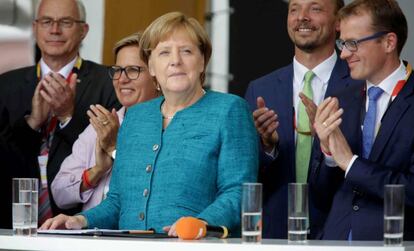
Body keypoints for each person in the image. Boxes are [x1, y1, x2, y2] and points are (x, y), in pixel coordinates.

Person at [40, 12, 258, 236]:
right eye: (164, 53)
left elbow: (239, 192)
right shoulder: (135, 117)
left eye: (187, 51)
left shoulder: (230, 110)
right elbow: (117, 202)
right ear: (151, 67)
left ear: (202, 61)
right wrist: (79, 220)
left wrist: (202, 223)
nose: (175, 61)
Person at [244, 0, 362, 239]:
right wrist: (267, 147)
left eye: (315, 8)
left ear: (338, 22)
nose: (302, 17)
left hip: (340, 233)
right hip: (274, 236)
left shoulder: (361, 85)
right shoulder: (260, 89)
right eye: (294, 9)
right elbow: (244, 174)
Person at [0, 0, 119, 228]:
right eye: (47, 22)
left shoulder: (109, 82)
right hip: (13, 222)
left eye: (65, 22)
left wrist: (67, 117)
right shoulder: (5, 85)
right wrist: (32, 123)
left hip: (81, 222)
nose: (55, 30)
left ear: (83, 30)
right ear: (35, 28)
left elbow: (114, 155)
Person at [311, 0, 414, 240]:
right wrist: (328, 155)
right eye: (342, 43)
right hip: (335, 241)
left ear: (389, 42)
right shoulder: (340, 99)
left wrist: (350, 162)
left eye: (353, 43)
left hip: (394, 243)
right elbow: (320, 197)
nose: (344, 53)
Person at [51, 33, 159, 211]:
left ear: (156, 77)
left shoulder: (171, 125)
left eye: (133, 70)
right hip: (93, 234)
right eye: (117, 70)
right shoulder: (99, 126)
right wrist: (97, 171)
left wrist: (114, 149)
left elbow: (152, 189)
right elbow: (59, 193)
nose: (122, 79)